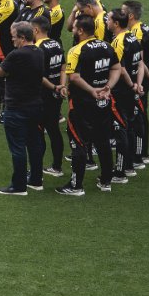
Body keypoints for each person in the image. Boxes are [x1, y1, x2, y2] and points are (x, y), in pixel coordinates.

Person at [56, 15, 120, 196]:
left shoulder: (76, 50)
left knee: (78, 143)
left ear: (81, 30)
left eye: (75, 28)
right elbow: (116, 68)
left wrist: (91, 90)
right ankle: (106, 180)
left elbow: (74, 77)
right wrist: (108, 87)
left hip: (82, 104)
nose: (73, 30)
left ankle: (76, 186)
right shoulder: (106, 45)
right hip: (103, 102)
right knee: (102, 141)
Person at [0, 22, 46, 195]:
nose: (12, 39)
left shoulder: (17, 54)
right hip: (35, 106)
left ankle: (19, 185)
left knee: (17, 147)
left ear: (23, 37)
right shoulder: (39, 52)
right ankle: (36, 179)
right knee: (34, 144)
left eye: (14, 36)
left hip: (17, 108)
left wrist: (10, 71)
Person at [121, 0, 149, 167]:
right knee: (140, 115)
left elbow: (141, 60)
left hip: (140, 80)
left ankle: (140, 155)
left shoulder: (136, 33)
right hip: (145, 76)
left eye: (123, 12)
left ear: (130, 15)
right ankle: (140, 152)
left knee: (138, 117)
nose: (120, 14)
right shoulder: (146, 28)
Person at [106, 9, 144, 181]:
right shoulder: (133, 37)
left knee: (120, 129)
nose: (106, 22)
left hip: (121, 91)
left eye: (108, 20)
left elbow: (120, 69)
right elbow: (141, 63)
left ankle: (120, 172)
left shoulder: (118, 42)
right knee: (127, 127)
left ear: (115, 24)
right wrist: (138, 84)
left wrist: (131, 85)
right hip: (130, 90)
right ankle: (128, 166)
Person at [31, 16, 66, 179]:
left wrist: (52, 86)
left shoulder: (37, 48)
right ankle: (57, 166)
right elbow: (63, 67)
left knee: (38, 132)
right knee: (53, 130)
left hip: (42, 94)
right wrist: (61, 86)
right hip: (56, 94)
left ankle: (36, 170)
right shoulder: (57, 44)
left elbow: (37, 75)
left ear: (36, 30)